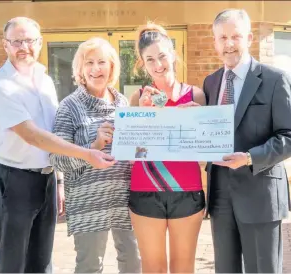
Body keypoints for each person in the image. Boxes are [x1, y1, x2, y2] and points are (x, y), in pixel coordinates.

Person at [0, 17, 115, 273]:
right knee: (12, 264)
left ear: (40, 42)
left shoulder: (44, 81)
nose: (24, 46)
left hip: (45, 179)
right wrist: (88, 153)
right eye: (16, 41)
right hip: (14, 180)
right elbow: (33, 136)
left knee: (42, 262)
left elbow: (52, 135)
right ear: (5, 45)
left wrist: (57, 181)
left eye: (30, 40)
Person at [203, 9, 291, 273]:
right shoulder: (211, 82)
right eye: (223, 37)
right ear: (215, 41)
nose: (229, 44)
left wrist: (250, 157)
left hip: (261, 195)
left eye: (235, 36)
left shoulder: (275, 79)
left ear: (249, 38)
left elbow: (288, 136)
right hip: (220, 196)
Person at [49, 37, 141, 274]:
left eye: (102, 62)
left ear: (112, 67)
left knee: (133, 261)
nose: (95, 69)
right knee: (90, 266)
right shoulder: (69, 106)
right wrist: (94, 145)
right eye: (89, 63)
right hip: (87, 202)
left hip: (125, 197)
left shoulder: (122, 103)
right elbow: (57, 158)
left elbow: (136, 151)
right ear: (80, 68)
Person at [128, 22, 206, 273]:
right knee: (153, 268)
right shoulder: (137, 98)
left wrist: (193, 124)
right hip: (145, 188)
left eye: (162, 56)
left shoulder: (196, 95)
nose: (158, 64)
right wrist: (146, 116)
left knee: (183, 268)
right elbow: (133, 154)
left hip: (187, 188)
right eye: (150, 59)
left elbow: (204, 152)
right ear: (142, 63)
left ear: (173, 53)